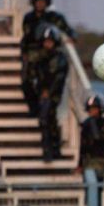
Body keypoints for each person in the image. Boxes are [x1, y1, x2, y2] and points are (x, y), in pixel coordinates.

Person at [20, 0, 76, 115]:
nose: (40, 4)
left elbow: (68, 29)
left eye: (43, 1)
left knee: (50, 82)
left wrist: (72, 37)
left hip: (50, 55)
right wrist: (24, 53)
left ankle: (46, 110)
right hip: (33, 55)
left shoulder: (54, 17)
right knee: (26, 82)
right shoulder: (28, 18)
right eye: (38, 1)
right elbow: (26, 38)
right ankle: (34, 109)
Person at [77, 93, 104, 206]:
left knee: (96, 196)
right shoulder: (87, 125)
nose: (92, 111)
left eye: (94, 108)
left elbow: (99, 140)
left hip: (98, 163)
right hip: (88, 163)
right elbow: (83, 146)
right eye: (90, 109)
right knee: (89, 198)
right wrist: (79, 164)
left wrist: (91, 123)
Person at [33, 25, 69, 162]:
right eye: (46, 41)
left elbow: (59, 78)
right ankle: (51, 149)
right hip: (42, 94)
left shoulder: (60, 58)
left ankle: (52, 149)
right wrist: (40, 91)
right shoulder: (40, 57)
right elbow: (36, 75)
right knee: (47, 120)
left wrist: (49, 92)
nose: (48, 44)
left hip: (53, 94)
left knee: (48, 120)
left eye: (50, 41)